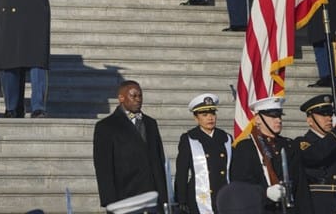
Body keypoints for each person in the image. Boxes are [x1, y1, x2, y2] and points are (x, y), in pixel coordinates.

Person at [229, 97, 314, 213]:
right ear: (258, 119)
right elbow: (240, 186)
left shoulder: (289, 146)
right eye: (273, 116)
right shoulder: (246, 147)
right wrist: (265, 192)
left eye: (279, 116)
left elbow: (301, 188)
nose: (278, 120)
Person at [93, 80, 168, 210]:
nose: (138, 99)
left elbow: (159, 159)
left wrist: (164, 196)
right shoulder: (106, 126)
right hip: (125, 196)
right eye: (133, 96)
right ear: (121, 98)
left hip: (152, 196)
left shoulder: (150, 123)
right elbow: (103, 167)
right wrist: (109, 201)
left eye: (140, 96)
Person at [175, 93, 232, 214]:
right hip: (199, 197)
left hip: (225, 195)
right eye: (204, 115)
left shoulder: (226, 138)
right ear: (196, 118)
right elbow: (182, 172)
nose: (210, 118)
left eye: (212, 114)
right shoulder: (189, 138)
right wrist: (181, 200)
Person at [295, 94, 336, 213]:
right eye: (323, 115)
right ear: (310, 120)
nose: (328, 118)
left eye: (330, 114)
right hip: (319, 203)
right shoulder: (302, 142)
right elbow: (316, 155)